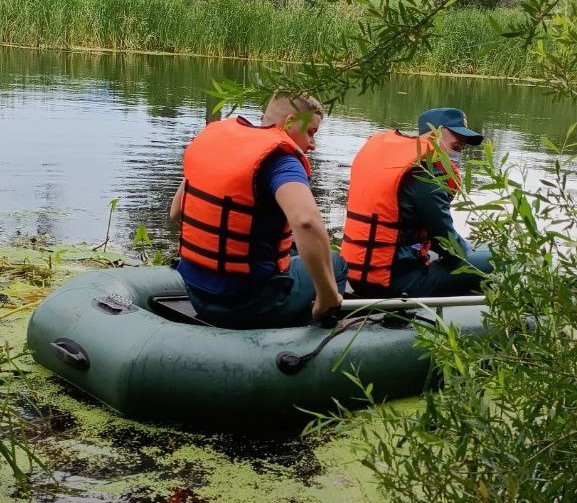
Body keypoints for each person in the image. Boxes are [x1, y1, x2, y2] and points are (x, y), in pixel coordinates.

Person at [170, 94, 347, 328]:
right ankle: (312, 335)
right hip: (249, 305)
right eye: (311, 132)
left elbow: (176, 212)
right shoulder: (282, 160)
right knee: (336, 262)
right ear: (291, 122)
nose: (312, 144)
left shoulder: (218, 140)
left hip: (197, 296)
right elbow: (306, 222)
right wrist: (328, 295)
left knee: (292, 248)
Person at [340, 107, 493, 298]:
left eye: (462, 146)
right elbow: (448, 243)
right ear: (435, 131)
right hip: (397, 283)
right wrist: (470, 253)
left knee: (469, 250)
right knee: (492, 259)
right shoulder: (427, 170)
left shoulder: (392, 157)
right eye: (456, 140)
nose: (461, 145)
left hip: (357, 275)